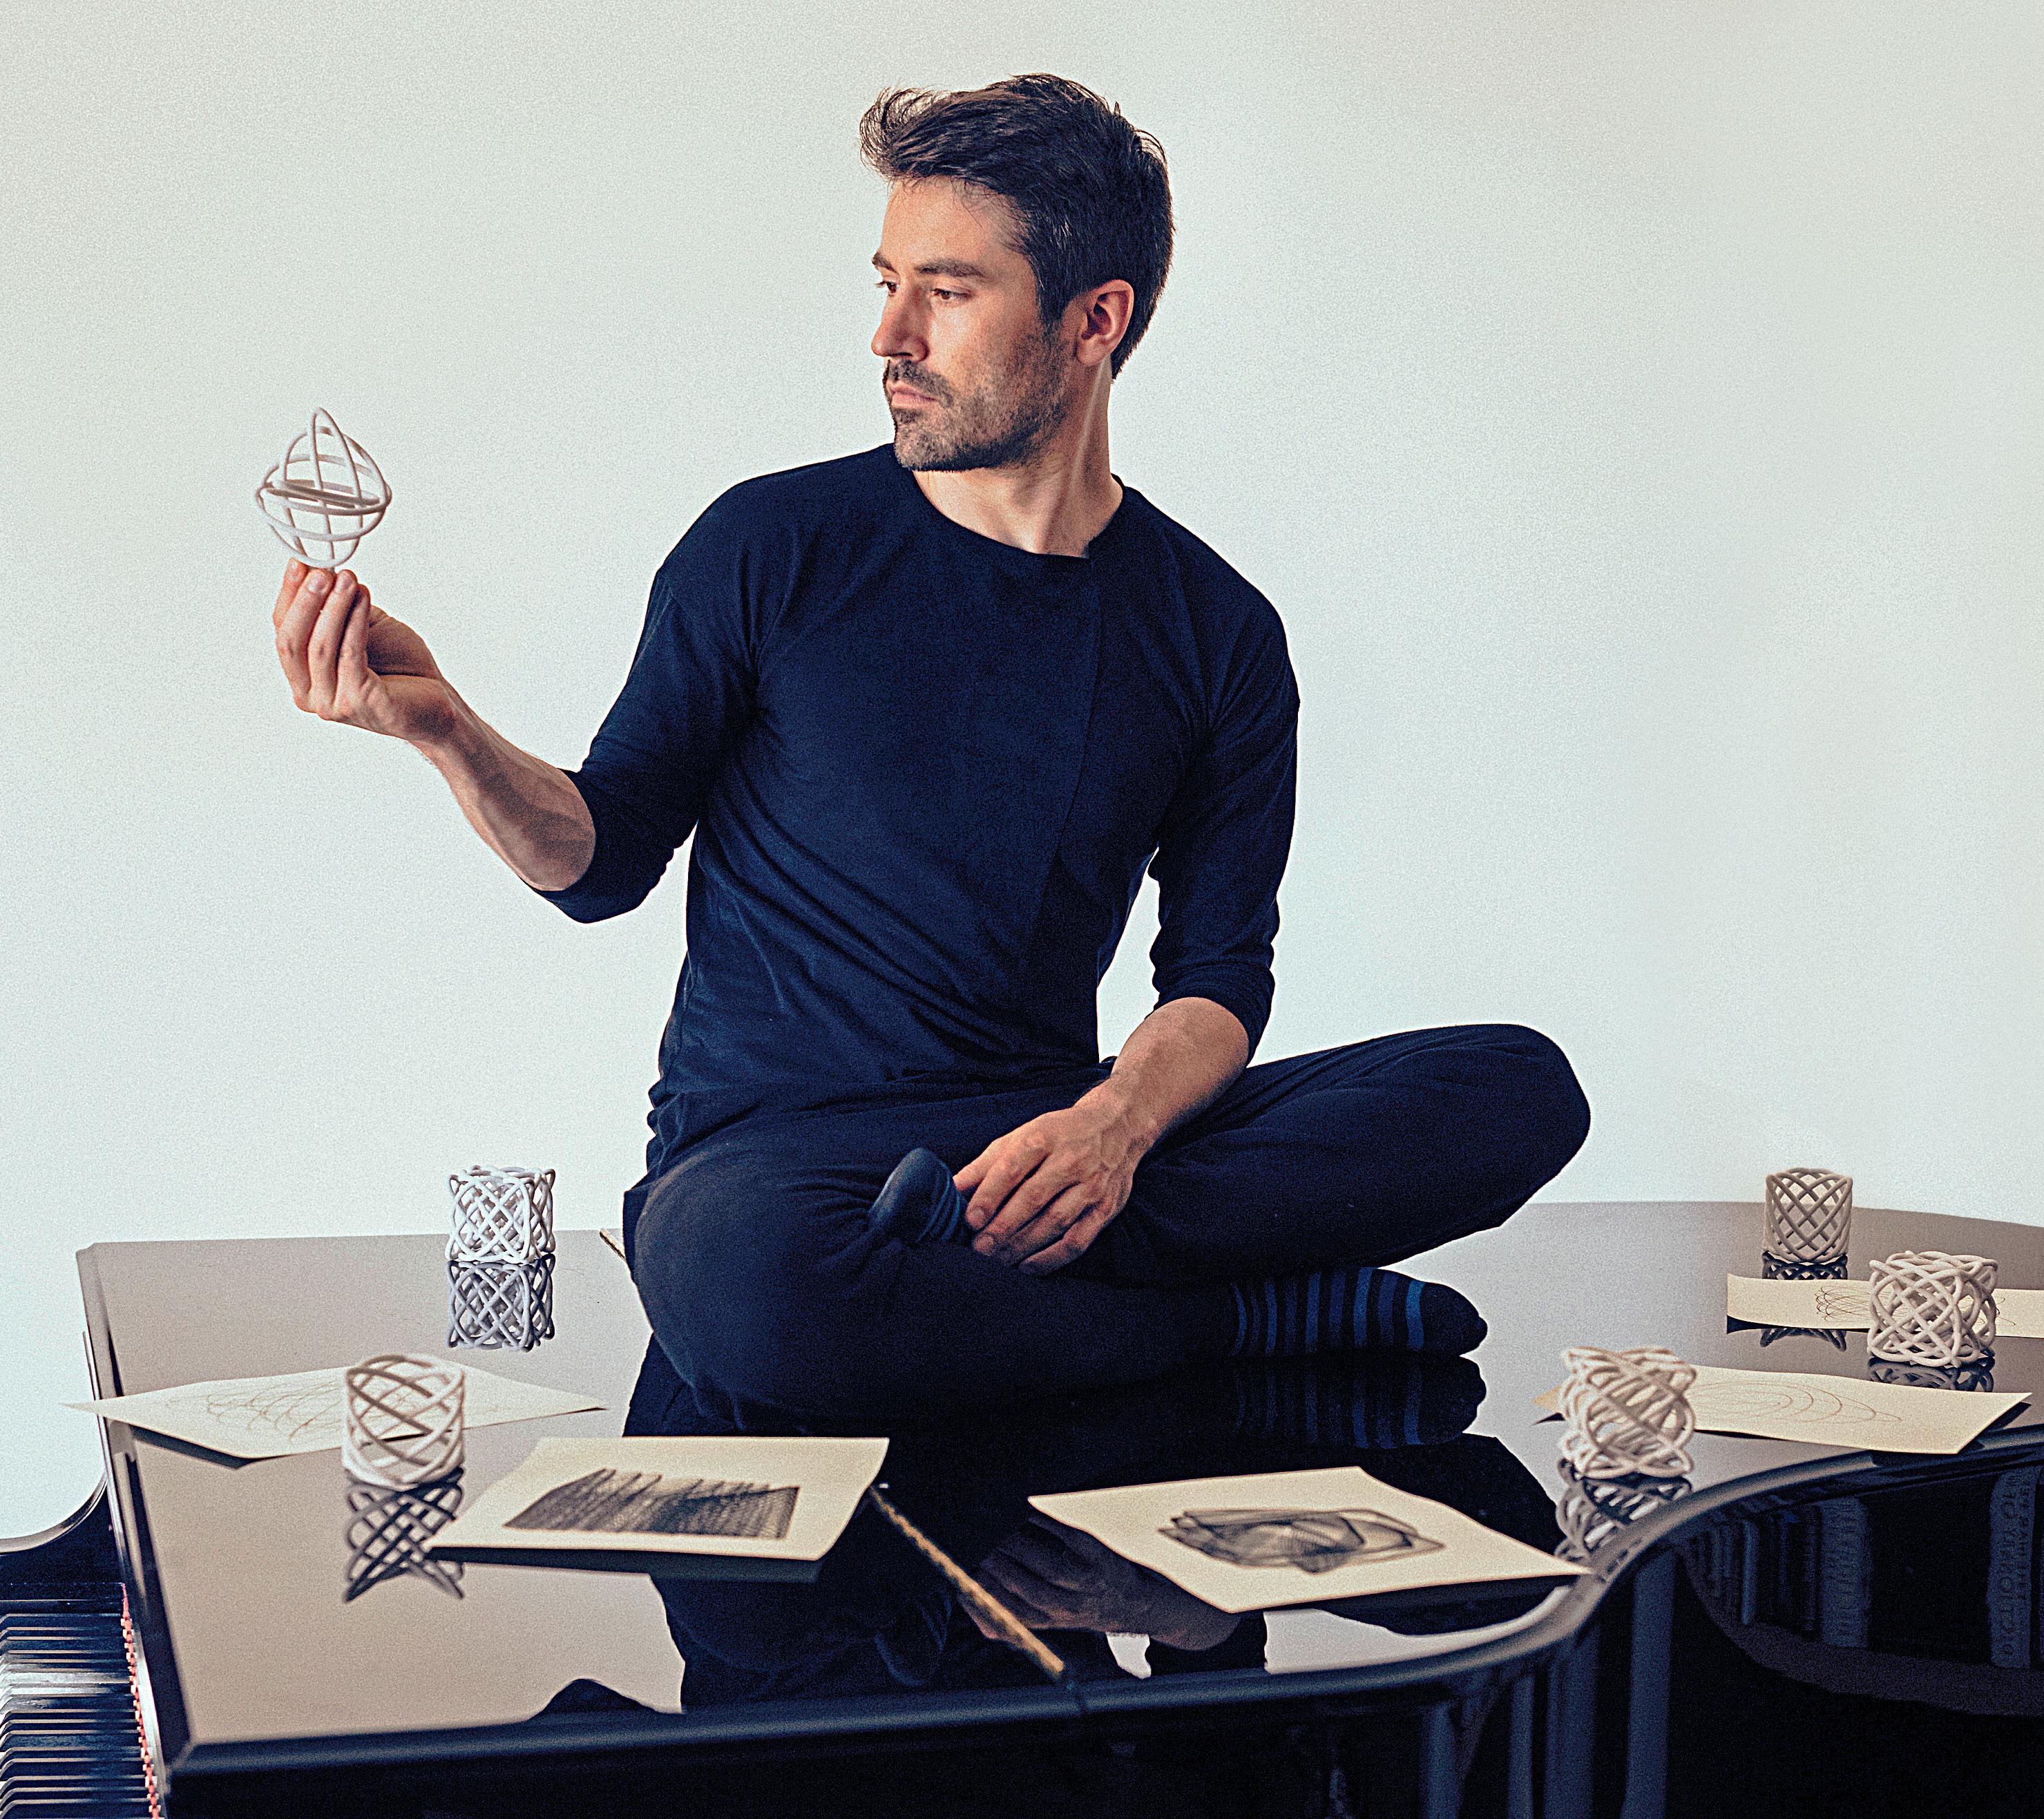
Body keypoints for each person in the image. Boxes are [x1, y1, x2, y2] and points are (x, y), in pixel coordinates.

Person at [268, 74, 1589, 1425]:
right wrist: (443, 731)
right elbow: (598, 861)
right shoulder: (770, 549)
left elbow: (1215, 983)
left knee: (1516, 1091)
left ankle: (990, 1287)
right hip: (777, 1169)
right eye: (888, 283)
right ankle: (1240, 1317)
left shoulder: (1216, 632)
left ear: (1094, 321)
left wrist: (1114, 1130)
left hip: (1046, 1143)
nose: (890, 334)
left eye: (945, 293)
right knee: (751, 1284)